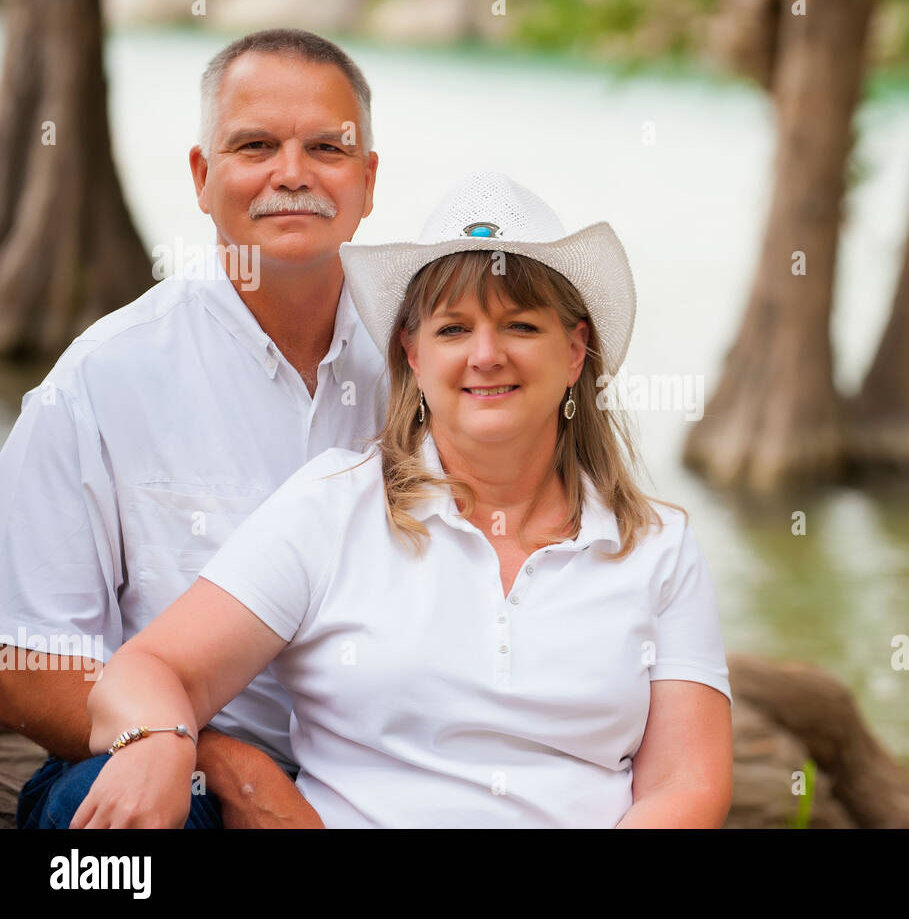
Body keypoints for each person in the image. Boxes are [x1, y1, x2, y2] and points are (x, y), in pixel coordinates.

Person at [71, 171, 734, 828]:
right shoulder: (333, 506)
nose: (485, 354)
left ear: (574, 349)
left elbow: (688, 781)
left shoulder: (657, 546)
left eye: (520, 326)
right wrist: (161, 740)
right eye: (452, 329)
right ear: (412, 354)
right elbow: (150, 667)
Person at [0, 28, 384, 828]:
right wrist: (206, 750)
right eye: (255, 145)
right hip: (158, 763)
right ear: (203, 178)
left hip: (381, 774)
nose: (293, 173)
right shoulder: (101, 380)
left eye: (326, 147)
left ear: (367, 180)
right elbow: (26, 663)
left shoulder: (430, 366)